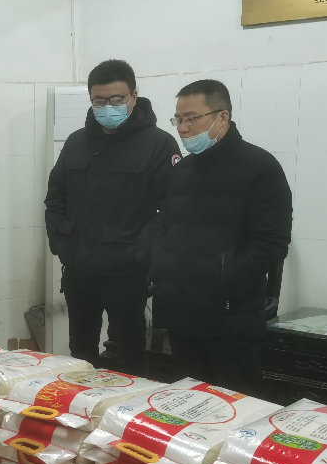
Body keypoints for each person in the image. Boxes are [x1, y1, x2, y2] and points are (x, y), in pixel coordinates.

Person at [151, 79, 292, 390]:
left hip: (232, 318)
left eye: (191, 118)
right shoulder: (181, 172)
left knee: (234, 405)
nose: (183, 128)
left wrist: (224, 282)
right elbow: (163, 226)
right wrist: (161, 268)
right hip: (182, 315)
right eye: (178, 120)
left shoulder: (260, 167)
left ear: (222, 117)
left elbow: (271, 243)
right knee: (188, 402)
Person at [45, 60, 180, 376]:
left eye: (117, 99)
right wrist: (62, 243)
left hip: (127, 272)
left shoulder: (158, 144)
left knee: (129, 356)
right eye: (99, 100)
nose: (108, 107)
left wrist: (141, 254)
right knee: (80, 355)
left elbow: (171, 209)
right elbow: (56, 197)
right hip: (79, 268)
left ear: (134, 96)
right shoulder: (77, 141)